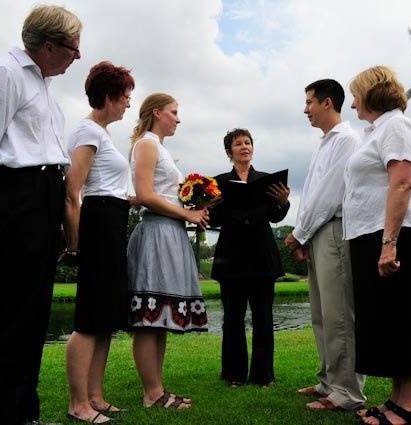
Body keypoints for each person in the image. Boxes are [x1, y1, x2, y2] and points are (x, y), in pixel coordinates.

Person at [0, 5, 81, 424]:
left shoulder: (45, 85)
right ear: (49, 46)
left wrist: (64, 219)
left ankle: (23, 413)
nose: (76, 57)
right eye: (73, 49)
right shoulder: (3, 74)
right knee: (5, 318)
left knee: (33, 317)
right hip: (16, 200)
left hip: (45, 198)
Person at [345, 66, 411, 425]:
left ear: (371, 94)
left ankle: (410, 406)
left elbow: (402, 183)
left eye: (355, 95)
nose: (352, 103)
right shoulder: (375, 131)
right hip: (370, 232)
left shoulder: (397, 126)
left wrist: (389, 242)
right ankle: (396, 401)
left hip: (395, 232)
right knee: (386, 319)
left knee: (403, 316)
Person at [284, 79, 366, 411]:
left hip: (334, 229)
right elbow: (311, 194)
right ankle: (328, 380)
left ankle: (347, 391)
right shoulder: (325, 143)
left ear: (327, 103)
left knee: (339, 314)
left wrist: (299, 233)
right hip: (318, 230)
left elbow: (330, 195)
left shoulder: (347, 140)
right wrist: (302, 233)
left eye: (309, 102)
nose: (305, 109)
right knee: (320, 313)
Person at [63, 61, 135, 423]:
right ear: (108, 96)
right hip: (97, 228)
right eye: (125, 97)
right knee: (90, 319)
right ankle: (78, 404)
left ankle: (95, 396)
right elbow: (72, 191)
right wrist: (75, 244)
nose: (128, 104)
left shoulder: (103, 134)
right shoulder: (88, 132)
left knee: (105, 318)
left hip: (112, 223)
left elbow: (112, 189)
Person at [127, 93, 209, 409]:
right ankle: (152, 393)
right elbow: (145, 194)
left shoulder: (160, 148)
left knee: (159, 317)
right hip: (156, 234)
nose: (178, 118)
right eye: (174, 112)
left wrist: (195, 207)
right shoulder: (146, 144)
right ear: (157, 112)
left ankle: (157, 389)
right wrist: (187, 214)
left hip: (169, 233)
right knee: (150, 317)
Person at [210, 128, 290, 387]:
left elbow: (276, 216)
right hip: (230, 255)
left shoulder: (267, 180)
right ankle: (233, 374)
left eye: (248, 142)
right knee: (232, 317)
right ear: (229, 151)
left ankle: (263, 375)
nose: (244, 147)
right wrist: (209, 206)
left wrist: (284, 202)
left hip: (261, 256)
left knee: (263, 317)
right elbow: (215, 220)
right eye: (238, 144)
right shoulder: (218, 183)